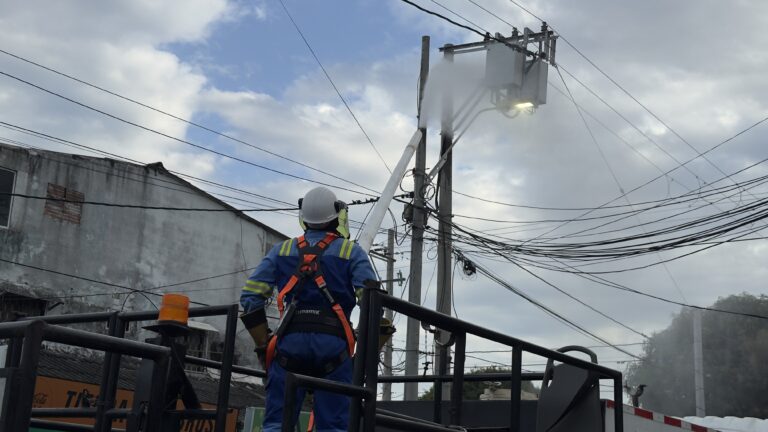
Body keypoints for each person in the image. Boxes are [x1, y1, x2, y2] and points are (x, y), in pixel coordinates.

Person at [240, 186, 377, 432]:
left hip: (288, 346)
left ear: (303, 216)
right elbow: (372, 302)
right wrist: (365, 351)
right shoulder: (351, 252)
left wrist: (263, 345)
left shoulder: (282, 250)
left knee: (276, 425)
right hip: (333, 348)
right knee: (333, 427)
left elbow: (250, 296)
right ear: (337, 214)